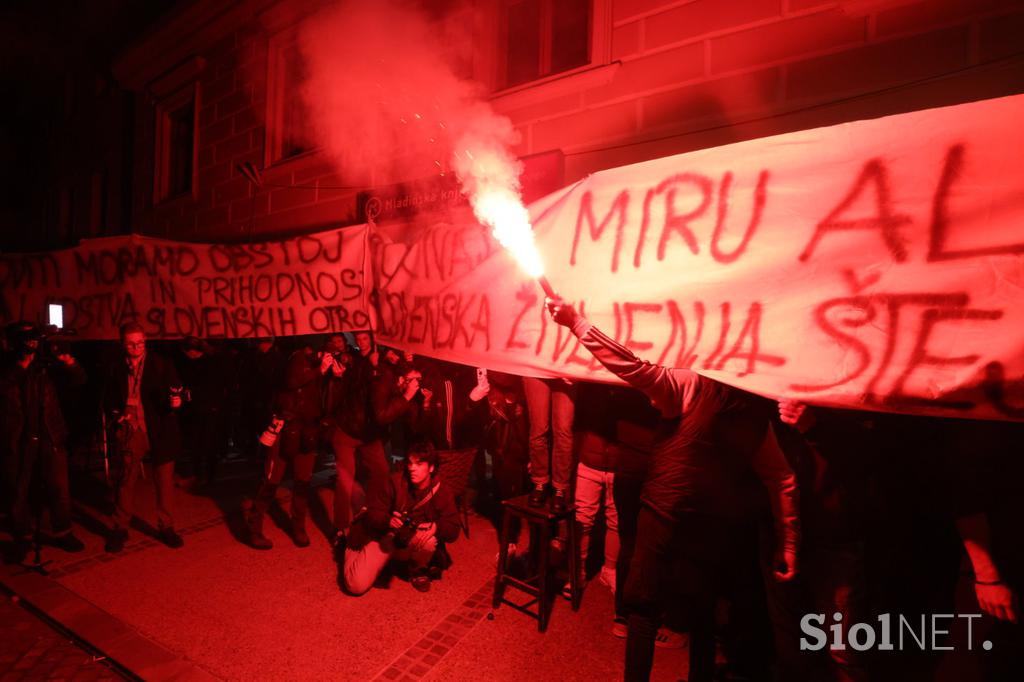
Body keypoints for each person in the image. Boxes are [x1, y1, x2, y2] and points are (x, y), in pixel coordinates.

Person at [545, 297, 799, 682]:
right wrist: (790, 543)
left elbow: (633, 368)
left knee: (643, 609)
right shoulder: (753, 413)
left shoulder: (691, 384)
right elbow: (783, 479)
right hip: (711, 529)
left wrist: (577, 323)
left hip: (664, 519)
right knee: (701, 611)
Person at [1, 322, 87, 560]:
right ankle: (23, 536)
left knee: (59, 486)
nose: (33, 343)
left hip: (50, 432)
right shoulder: (8, 363)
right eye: (27, 339)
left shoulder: (45, 363)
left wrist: (70, 364)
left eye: (35, 339)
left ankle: (63, 531)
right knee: (19, 488)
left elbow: (79, 380)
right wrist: (22, 364)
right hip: (17, 436)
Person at [246, 341, 342, 549]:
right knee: (271, 480)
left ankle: (298, 525)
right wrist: (320, 370)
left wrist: (335, 377)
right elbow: (291, 381)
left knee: (302, 481)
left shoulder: (319, 363)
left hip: (308, 430)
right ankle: (254, 527)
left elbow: (327, 400)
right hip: (286, 427)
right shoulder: (291, 357)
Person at [101, 322, 186, 552]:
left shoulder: (160, 364)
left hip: (159, 429)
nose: (136, 347)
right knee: (125, 480)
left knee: (164, 482)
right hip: (131, 429)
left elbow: (176, 389)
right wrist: (116, 415)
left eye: (140, 342)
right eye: (131, 343)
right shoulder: (116, 366)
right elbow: (108, 395)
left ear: (145, 341)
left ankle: (166, 526)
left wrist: (177, 401)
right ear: (123, 343)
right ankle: (119, 528)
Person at [342, 442, 461, 595]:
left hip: (410, 540)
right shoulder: (395, 482)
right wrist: (387, 519)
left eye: (419, 464)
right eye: (410, 463)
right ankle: (348, 546)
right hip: (387, 536)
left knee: (429, 541)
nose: (412, 468)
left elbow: (453, 529)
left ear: (431, 468)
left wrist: (437, 527)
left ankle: (417, 569)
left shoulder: (441, 491)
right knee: (355, 585)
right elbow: (373, 513)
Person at [522, 375, 576, 513]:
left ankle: (560, 488)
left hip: (564, 364)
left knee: (563, 430)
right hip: (536, 364)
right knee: (538, 429)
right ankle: (540, 482)